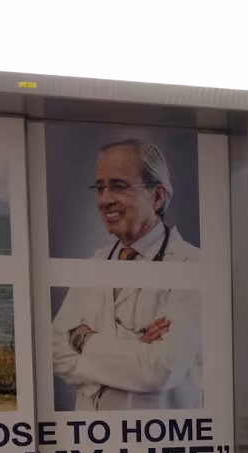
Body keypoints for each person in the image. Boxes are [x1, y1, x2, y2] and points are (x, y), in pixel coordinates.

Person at [53, 140, 202, 410]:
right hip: (93, 443)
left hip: (161, 442)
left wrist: (85, 340)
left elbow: (160, 369)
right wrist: (136, 350)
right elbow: (56, 351)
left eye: (119, 187)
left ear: (157, 196)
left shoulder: (194, 265)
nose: (105, 200)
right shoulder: (95, 265)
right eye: (100, 188)